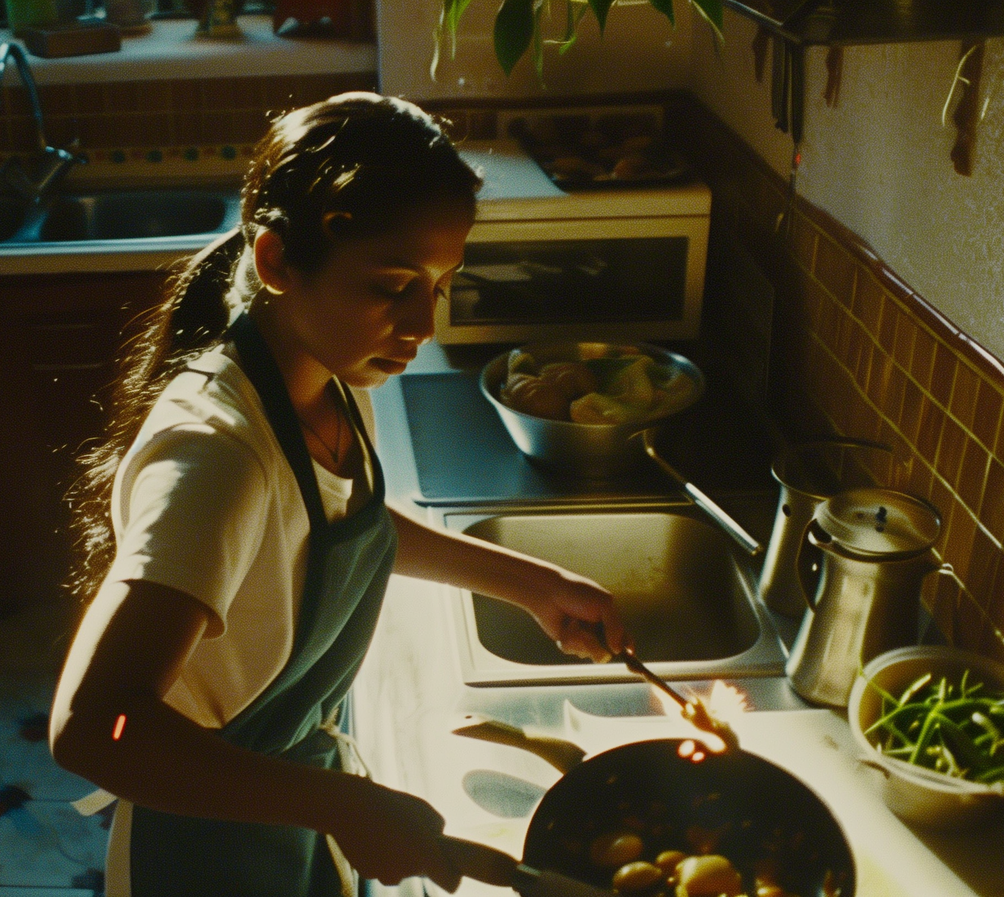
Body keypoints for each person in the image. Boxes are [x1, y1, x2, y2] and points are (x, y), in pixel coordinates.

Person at [49, 92, 629, 897]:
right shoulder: (218, 454)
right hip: (204, 846)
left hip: (289, 801)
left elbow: (330, 520)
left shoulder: (327, 373)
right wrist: (342, 803)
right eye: (394, 284)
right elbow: (97, 728)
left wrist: (532, 584)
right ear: (278, 261)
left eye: (440, 282)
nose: (423, 321)